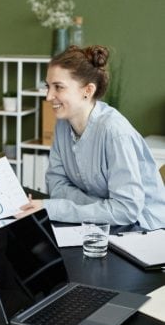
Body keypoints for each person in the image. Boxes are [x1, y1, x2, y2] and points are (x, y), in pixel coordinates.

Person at [19, 45, 165, 230]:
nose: (48, 96)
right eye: (48, 86)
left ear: (87, 90)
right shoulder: (63, 125)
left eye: (58, 87)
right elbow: (56, 184)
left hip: (143, 230)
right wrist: (98, 206)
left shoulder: (115, 132)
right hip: (100, 224)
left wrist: (54, 208)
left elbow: (126, 210)